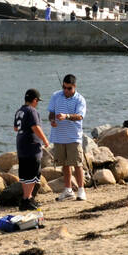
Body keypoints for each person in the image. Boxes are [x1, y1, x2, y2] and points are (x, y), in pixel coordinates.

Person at [48, 73, 87, 201]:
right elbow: (51, 113)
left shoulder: (80, 99)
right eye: (64, 87)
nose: (66, 90)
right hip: (58, 137)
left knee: (77, 164)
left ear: (74, 87)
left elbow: (80, 116)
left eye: (69, 88)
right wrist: (52, 120)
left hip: (73, 137)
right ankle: (68, 190)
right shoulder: (55, 96)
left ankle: (81, 190)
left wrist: (67, 116)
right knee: (64, 165)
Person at [13, 88, 51, 211]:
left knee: (24, 173)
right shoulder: (32, 111)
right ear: (34, 100)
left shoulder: (19, 111)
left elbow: (15, 128)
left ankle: (27, 198)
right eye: (37, 101)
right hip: (31, 144)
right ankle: (26, 199)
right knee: (33, 173)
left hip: (21, 143)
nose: (37, 103)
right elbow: (35, 127)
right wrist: (45, 140)